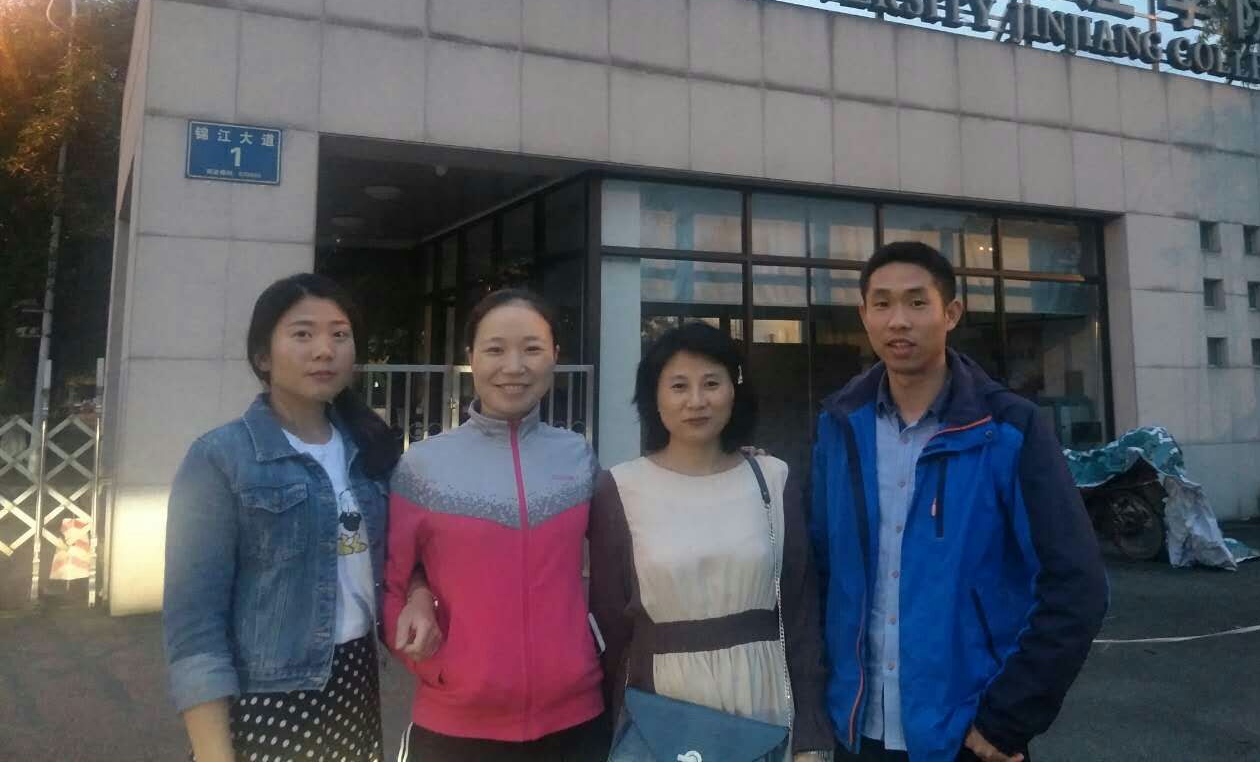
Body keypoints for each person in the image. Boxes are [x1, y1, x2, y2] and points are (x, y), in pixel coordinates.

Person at [808, 242, 1108, 762]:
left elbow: (1077, 584)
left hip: (966, 733)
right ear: (864, 315)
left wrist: (1007, 719)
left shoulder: (1009, 429)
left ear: (951, 313)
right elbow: (818, 569)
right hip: (856, 728)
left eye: (916, 302)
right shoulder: (839, 427)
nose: (898, 320)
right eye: (882, 304)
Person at [163, 273, 435, 762]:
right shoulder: (220, 458)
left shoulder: (370, 453)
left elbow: (399, 555)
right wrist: (211, 752)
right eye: (303, 334)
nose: (325, 350)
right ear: (263, 357)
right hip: (265, 699)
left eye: (340, 334)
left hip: (356, 683)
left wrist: (417, 593)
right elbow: (195, 623)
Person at [589, 321, 834, 762]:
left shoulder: (773, 479)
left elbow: (800, 616)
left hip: (763, 701)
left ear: (734, 390)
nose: (696, 401)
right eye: (678, 386)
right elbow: (612, 627)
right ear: (654, 396)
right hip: (663, 710)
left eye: (711, 383)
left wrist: (812, 736)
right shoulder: (621, 488)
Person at [384, 289, 607, 761]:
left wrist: (722, 460)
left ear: (555, 356)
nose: (514, 366)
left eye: (532, 349)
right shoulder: (423, 466)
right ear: (471, 357)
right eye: (495, 349)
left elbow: (627, 551)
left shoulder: (577, 457)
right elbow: (393, 580)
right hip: (455, 724)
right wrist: (434, 666)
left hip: (577, 719)